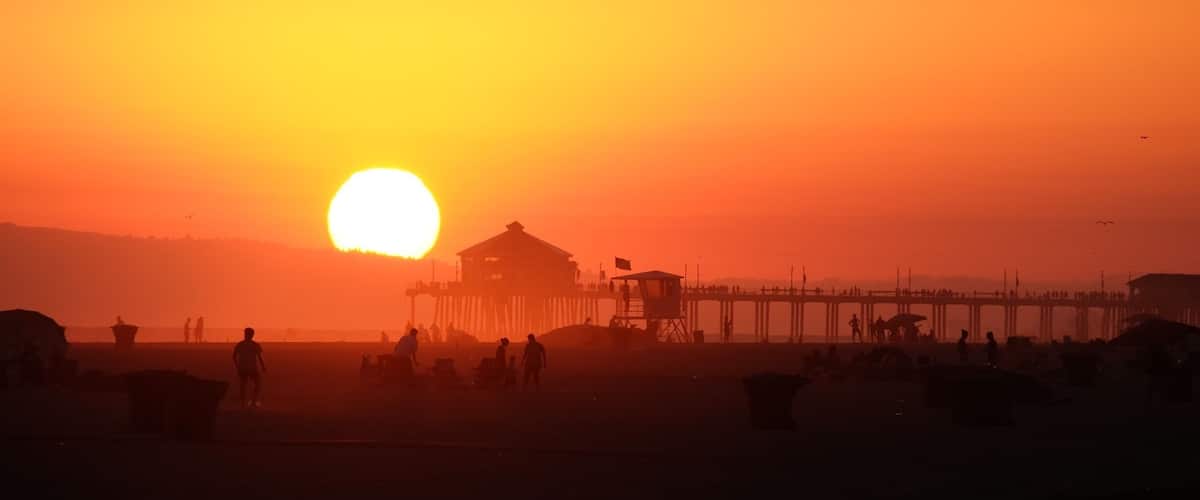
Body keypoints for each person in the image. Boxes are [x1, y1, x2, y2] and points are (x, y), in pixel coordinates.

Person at [233, 327, 266, 408]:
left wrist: (237, 366)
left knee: (243, 385)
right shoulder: (255, 345)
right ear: (252, 335)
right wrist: (263, 366)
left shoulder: (240, 344)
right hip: (252, 368)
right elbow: (259, 357)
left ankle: (243, 403)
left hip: (242, 368)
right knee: (257, 384)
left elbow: (234, 356)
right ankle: (253, 402)